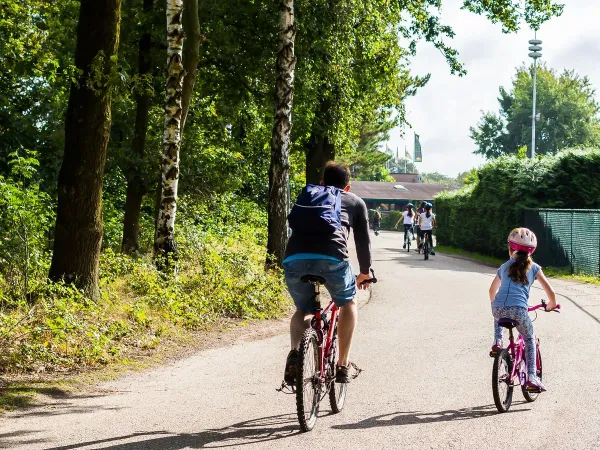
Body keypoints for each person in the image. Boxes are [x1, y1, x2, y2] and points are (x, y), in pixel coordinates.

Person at [283, 161, 372, 385]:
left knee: (303, 309)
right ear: (347, 187)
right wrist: (364, 272)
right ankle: (342, 365)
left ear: (322, 183)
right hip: (333, 259)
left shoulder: (310, 196)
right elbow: (362, 241)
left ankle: (295, 354)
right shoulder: (355, 201)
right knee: (348, 303)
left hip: (294, 258)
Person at [488, 228, 557, 392]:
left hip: (498, 309)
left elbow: (491, 292)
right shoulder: (534, 268)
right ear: (531, 251)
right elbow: (551, 293)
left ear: (510, 248)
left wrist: (497, 306)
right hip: (519, 311)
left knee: (497, 309)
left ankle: (498, 341)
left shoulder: (504, 266)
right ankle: (532, 377)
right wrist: (551, 304)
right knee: (529, 338)